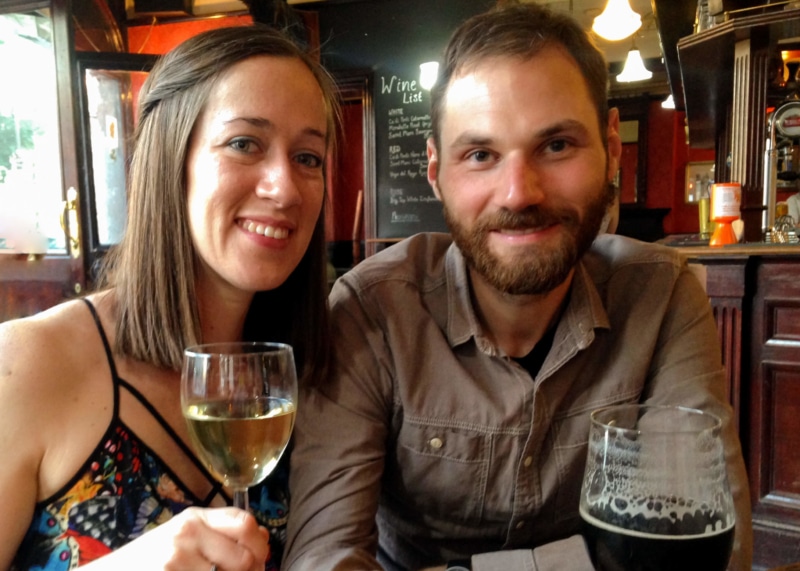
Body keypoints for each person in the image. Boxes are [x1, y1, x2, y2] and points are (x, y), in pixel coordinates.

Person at [284, 3, 752, 571]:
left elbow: (699, 542)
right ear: (436, 171)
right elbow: (323, 559)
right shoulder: (371, 313)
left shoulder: (661, 296)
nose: (518, 193)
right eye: (480, 155)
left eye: (556, 146)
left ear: (611, 146)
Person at [0, 23, 339, 570]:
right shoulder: (27, 363)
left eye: (308, 157)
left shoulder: (324, 369)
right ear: (169, 161)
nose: (285, 186)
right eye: (244, 143)